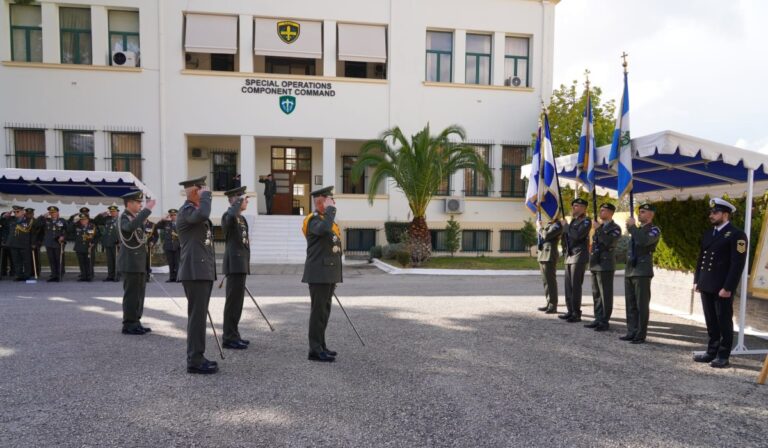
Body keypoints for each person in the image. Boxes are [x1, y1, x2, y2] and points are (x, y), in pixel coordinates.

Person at [693, 198, 748, 368]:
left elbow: (737, 264)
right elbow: (701, 258)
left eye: (715, 212)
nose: (711, 215)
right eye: (711, 212)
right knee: (710, 320)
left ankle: (723, 355)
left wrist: (728, 287)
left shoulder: (737, 234)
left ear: (725, 215)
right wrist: (697, 280)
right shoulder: (710, 233)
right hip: (706, 283)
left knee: (723, 320)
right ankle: (711, 352)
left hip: (722, 286)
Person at [177, 176, 218, 374]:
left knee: (199, 317)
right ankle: (194, 360)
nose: (205, 191)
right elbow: (202, 214)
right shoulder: (187, 211)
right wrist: (207, 197)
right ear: (195, 191)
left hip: (201, 271)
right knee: (196, 317)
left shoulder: (193, 210)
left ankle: (198, 355)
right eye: (202, 188)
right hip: (194, 271)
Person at [301, 186, 342, 362]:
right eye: (330, 200)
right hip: (318, 273)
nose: (334, 203)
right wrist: (331, 210)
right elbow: (324, 230)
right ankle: (315, 350)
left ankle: (321, 345)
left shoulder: (326, 219)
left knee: (324, 312)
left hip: (327, 272)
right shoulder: (313, 220)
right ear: (321, 202)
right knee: (318, 313)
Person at [621, 203, 661, 344]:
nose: (640, 214)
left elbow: (644, 241)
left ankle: (640, 333)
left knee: (641, 304)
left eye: (643, 212)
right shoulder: (637, 230)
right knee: (630, 303)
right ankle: (631, 331)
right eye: (640, 211)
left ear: (651, 215)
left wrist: (632, 227)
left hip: (642, 271)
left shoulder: (654, 230)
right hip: (631, 270)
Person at [117, 191, 156, 335]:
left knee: (139, 295)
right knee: (132, 295)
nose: (140, 205)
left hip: (138, 263)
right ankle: (128, 324)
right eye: (138, 203)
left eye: (141, 203)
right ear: (130, 203)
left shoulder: (134, 218)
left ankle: (136, 321)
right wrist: (147, 210)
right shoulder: (124, 218)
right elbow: (129, 228)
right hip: (130, 263)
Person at [221, 186, 251, 350]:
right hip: (234, 265)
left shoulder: (242, 218)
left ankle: (234, 334)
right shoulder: (229, 216)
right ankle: (228, 337)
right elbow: (231, 216)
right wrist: (238, 202)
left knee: (238, 303)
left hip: (241, 265)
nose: (246, 201)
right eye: (243, 199)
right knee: (232, 303)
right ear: (235, 200)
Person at [585, 203, 622, 332]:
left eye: (603, 210)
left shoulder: (615, 228)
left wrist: (599, 229)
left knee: (605, 294)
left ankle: (605, 321)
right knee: (596, 294)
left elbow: (608, 242)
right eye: (600, 210)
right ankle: (598, 318)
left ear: (611, 213)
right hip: (596, 264)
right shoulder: (599, 227)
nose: (600, 212)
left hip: (606, 265)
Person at [559, 198, 591, 323]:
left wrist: (566, 226)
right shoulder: (573, 221)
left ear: (584, 208)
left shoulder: (586, 221)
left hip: (579, 255)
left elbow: (577, 235)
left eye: (577, 206)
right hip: (569, 255)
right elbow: (566, 237)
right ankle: (570, 310)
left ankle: (576, 313)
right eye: (573, 206)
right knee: (568, 286)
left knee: (575, 285)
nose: (574, 208)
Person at [536, 218, 563, 314]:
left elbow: (546, 235)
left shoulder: (558, 224)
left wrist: (539, 228)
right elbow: (542, 236)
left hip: (549, 255)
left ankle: (553, 305)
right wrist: (541, 228)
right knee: (545, 282)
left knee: (550, 281)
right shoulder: (549, 224)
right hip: (543, 254)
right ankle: (549, 302)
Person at [37, 206, 68, 282]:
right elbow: (36, 224)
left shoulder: (62, 221)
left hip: (58, 243)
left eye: (54, 212)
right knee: (51, 260)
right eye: (51, 212)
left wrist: (63, 237)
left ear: (57, 213)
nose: (52, 214)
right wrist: (42, 217)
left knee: (59, 259)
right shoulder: (46, 221)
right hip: (49, 243)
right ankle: (53, 275)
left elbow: (68, 230)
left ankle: (59, 275)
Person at [93, 205, 121, 282]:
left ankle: (116, 275)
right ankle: (110, 275)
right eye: (111, 212)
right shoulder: (107, 219)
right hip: (108, 242)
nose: (112, 213)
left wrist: (120, 241)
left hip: (116, 243)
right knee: (110, 260)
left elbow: (124, 232)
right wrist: (101, 214)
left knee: (116, 260)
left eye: (114, 211)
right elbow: (95, 221)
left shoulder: (121, 220)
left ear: (117, 212)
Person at [7, 205, 34, 281]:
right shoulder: (11, 220)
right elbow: (2, 223)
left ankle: (26, 275)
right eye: (14, 212)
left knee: (26, 260)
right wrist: (6, 216)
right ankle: (19, 275)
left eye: (17, 211)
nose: (15, 213)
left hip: (24, 244)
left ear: (23, 212)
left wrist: (33, 243)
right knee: (16, 261)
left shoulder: (29, 220)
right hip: (13, 243)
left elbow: (32, 232)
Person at [154, 209, 181, 282]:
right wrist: (162, 220)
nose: (173, 217)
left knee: (177, 262)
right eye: (171, 215)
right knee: (171, 263)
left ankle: (178, 277)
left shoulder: (180, 223)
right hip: (168, 246)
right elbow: (156, 226)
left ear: (177, 215)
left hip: (177, 246)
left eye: (174, 215)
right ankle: (172, 277)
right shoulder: (166, 223)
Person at [73, 214, 98, 282]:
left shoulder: (92, 227)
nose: (83, 221)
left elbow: (96, 237)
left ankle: (89, 276)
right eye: (81, 220)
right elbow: (69, 229)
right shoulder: (77, 226)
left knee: (89, 262)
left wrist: (93, 243)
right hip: (79, 247)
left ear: (88, 220)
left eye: (84, 220)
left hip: (89, 247)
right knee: (82, 263)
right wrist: (74, 218)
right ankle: (83, 276)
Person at [26, 208, 42, 278]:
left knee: (35, 258)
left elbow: (39, 233)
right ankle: (28, 272)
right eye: (28, 214)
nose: (29, 215)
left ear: (33, 214)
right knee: (27, 259)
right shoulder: (23, 222)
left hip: (35, 243)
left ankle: (36, 272)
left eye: (31, 214)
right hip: (25, 243)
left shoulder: (36, 222)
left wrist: (37, 243)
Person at [0, 207, 16, 279]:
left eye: (8, 215)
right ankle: (3, 271)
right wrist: (3, 217)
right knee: (3, 258)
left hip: (11, 242)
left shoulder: (12, 220)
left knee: (12, 258)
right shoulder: (2, 221)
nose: (8, 216)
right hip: (3, 242)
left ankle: (13, 271)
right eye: (6, 215)